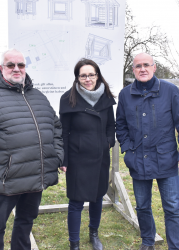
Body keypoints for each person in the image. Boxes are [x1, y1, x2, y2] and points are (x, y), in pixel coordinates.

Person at [0, 48, 64, 250]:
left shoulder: (39, 97)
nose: (16, 69)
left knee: (25, 222)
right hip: (6, 179)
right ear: (2, 69)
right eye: (11, 65)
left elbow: (56, 128)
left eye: (21, 65)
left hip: (36, 176)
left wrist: (58, 156)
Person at [116, 52, 179, 250]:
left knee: (172, 208)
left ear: (154, 67)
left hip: (166, 159)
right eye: (138, 66)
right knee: (142, 206)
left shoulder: (170, 90)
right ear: (133, 70)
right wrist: (127, 150)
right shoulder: (125, 94)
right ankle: (148, 241)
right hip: (138, 160)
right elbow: (121, 126)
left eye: (146, 65)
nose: (142, 69)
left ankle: (176, 246)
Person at [59, 58, 116, 250]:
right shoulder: (68, 99)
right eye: (83, 75)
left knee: (97, 197)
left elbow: (111, 125)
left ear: (97, 75)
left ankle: (94, 234)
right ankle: (74, 243)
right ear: (77, 77)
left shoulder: (106, 97)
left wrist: (108, 141)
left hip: (100, 157)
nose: (88, 79)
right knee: (76, 201)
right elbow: (63, 132)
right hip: (77, 157)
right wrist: (64, 159)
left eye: (91, 74)